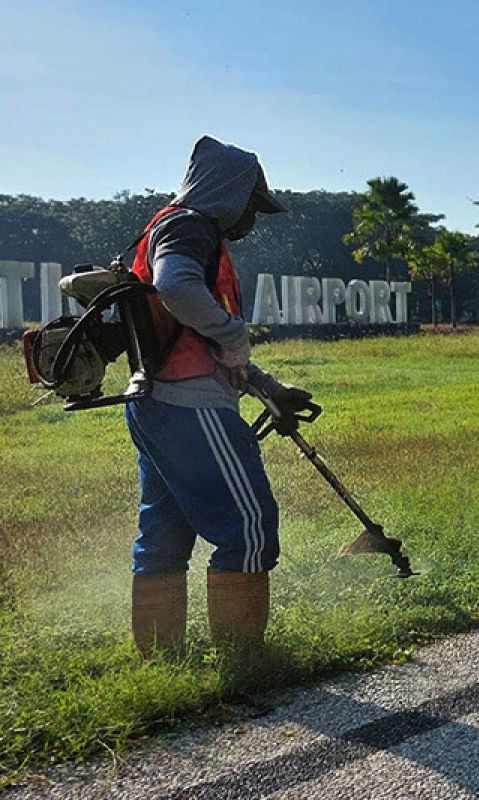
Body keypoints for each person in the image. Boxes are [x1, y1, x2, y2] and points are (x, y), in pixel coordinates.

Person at [127, 136, 312, 655]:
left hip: (159, 404)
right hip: (190, 409)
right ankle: (244, 662)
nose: (251, 217)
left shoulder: (173, 226)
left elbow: (194, 337)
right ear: (229, 193)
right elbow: (178, 289)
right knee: (248, 525)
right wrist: (234, 335)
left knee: (164, 535)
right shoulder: (191, 226)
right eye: (250, 204)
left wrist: (266, 385)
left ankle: (162, 662)